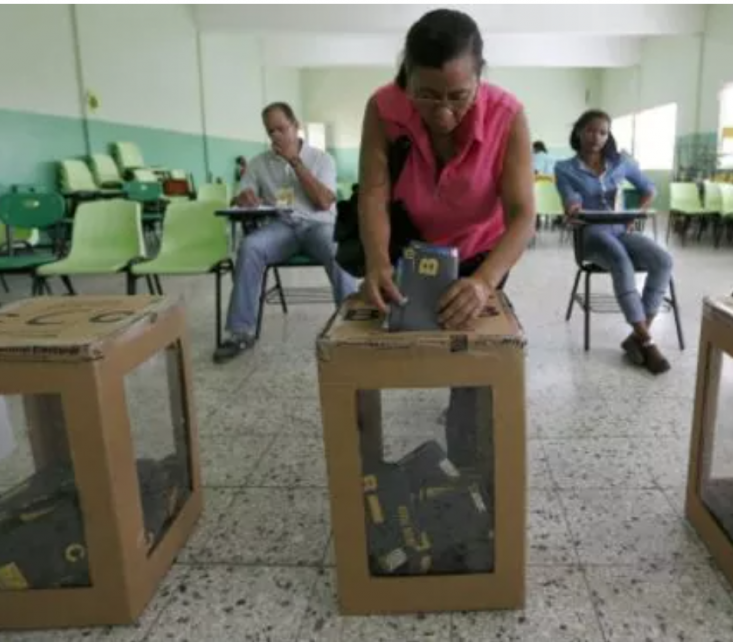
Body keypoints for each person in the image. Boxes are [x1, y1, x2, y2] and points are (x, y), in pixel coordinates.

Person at [357, 8, 535, 467]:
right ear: (406, 78)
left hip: (480, 255)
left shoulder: (507, 116)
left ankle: (467, 468)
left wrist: (484, 282)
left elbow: (522, 216)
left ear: (480, 78)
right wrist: (377, 261)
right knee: (388, 342)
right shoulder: (383, 108)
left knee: (471, 369)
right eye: (427, 95)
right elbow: (374, 192)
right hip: (408, 250)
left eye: (459, 96)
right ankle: (376, 472)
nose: (443, 112)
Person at [214, 102, 356, 363]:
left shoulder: (322, 159)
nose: (276, 136)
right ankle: (239, 332)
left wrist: (295, 161)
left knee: (338, 249)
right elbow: (241, 196)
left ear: (296, 126)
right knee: (250, 247)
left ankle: (353, 327)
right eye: (271, 132)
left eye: (281, 129)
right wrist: (243, 198)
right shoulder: (259, 164)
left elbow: (324, 202)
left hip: (319, 224)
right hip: (281, 228)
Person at [554, 109, 674, 374]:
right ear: (578, 132)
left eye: (602, 132)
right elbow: (569, 196)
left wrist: (635, 215)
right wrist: (573, 207)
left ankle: (637, 336)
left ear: (608, 135)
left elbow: (649, 188)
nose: (596, 137)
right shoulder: (565, 168)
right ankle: (649, 343)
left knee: (663, 260)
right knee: (621, 261)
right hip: (591, 236)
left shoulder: (621, 162)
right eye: (590, 130)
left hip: (620, 230)